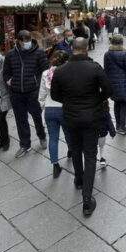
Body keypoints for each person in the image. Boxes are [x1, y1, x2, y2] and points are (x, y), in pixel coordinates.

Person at [50, 37, 113, 216]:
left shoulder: (60, 71)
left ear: (72, 48)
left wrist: (69, 102)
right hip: (92, 116)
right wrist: (97, 100)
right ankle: (87, 198)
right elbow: (109, 90)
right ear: (86, 49)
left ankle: (78, 179)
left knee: (76, 149)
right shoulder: (94, 68)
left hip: (71, 116)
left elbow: (55, 95)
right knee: (91, 154)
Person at [3, 30, 49, 157]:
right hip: (16, 93)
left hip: (33, 92)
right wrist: (8, 81)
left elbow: (46, 71)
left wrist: (38, 85)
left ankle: (42, 136)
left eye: (28, 40)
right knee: (20, 120)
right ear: (18, 41)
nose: (27, 43)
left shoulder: (39, 53)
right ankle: (25, 144)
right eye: (24, 41)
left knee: (37, 117)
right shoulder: (11, 54)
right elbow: (6, 71)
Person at [39, 50, 72, 178]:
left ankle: (55, 165)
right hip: (63, 108)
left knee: (53, 137)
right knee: (68, 133)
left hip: (49, 109)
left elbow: (41, 95)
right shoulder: (67, 73)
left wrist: (43, 106)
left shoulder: (46, 74)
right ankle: (71, 151)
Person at [103, 34, 126, 135]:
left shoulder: (107, 54)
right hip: (124, 81)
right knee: (124, 104)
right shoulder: (124, 54)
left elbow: (106, 70)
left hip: (112, 82)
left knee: (116, 103)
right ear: (121, 42)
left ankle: (118, 125)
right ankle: (122, 126)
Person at [98, 100, 116, 167]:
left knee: (92, 148)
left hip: (93, 134)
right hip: (102, 134)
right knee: (102, 147)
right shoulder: (106, 113)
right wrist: (112, 133)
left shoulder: (92, 112)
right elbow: (110, 124)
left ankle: (91, 160)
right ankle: (102, 159)